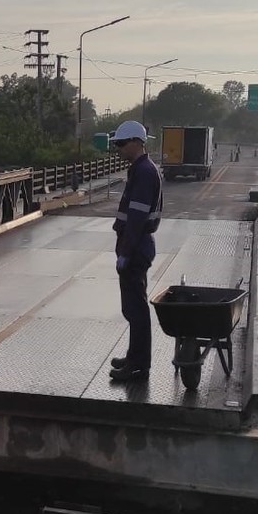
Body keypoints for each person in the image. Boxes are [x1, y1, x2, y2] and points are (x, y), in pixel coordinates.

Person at [108, 121, 163, 382]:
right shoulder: (140, 170)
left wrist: (126, 253)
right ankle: (134, 358)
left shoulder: (144, 173)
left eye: (121, 144)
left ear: (135, 142)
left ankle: (139, 365)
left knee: (136, 308)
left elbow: (137, 218)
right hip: (136, 244)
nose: (119, 149)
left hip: (137, 246)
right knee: (132, 308)